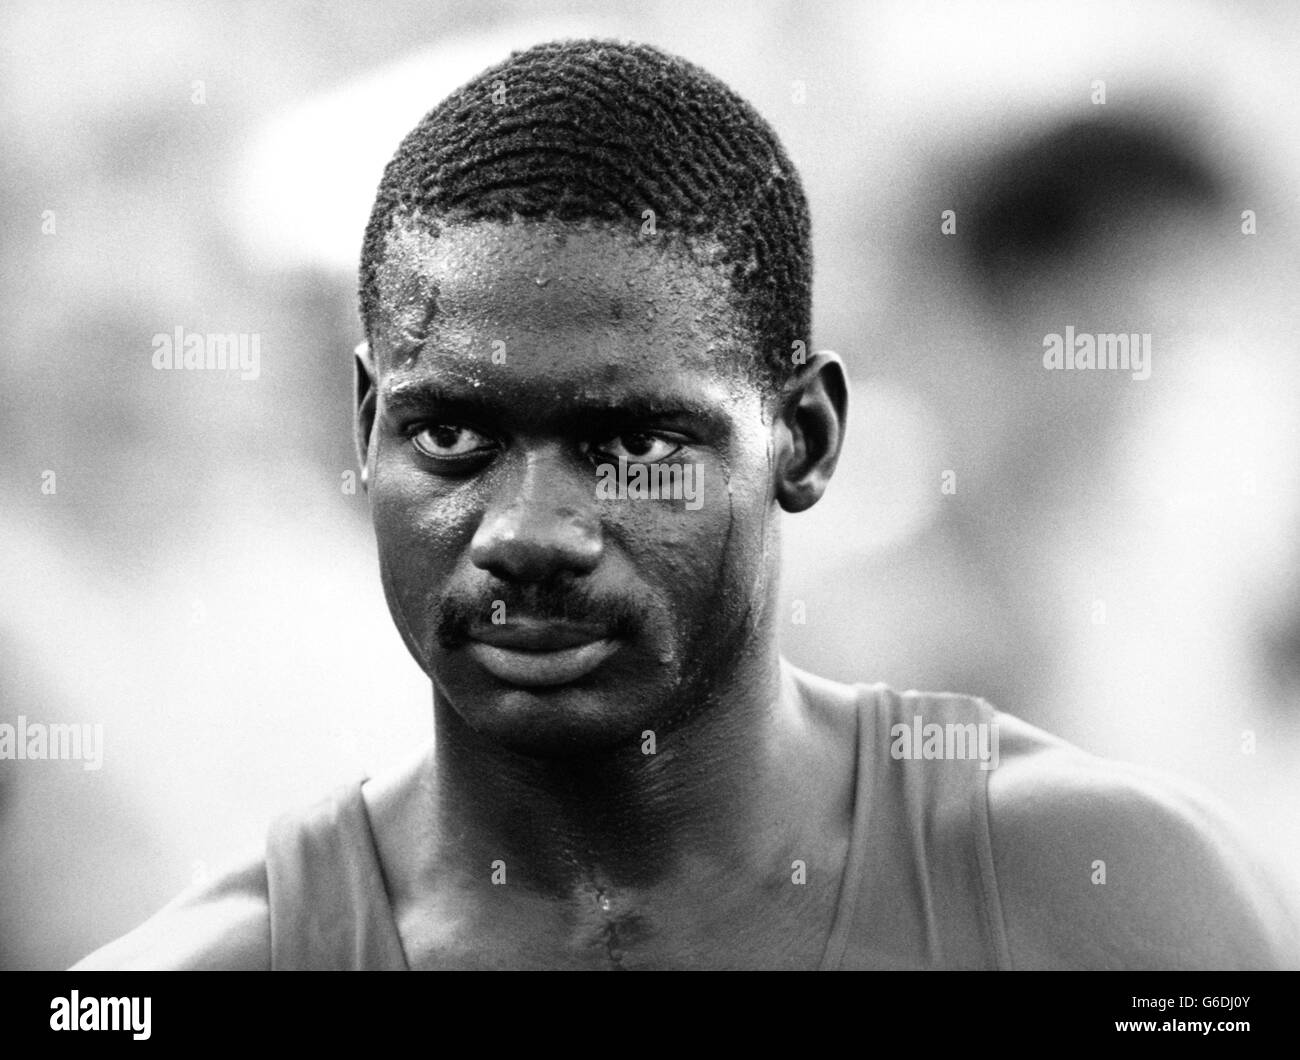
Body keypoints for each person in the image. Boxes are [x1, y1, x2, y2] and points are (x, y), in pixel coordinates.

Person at [74, 38, 1298, 970]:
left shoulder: (1111, 900)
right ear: (365, 434)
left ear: (803, 439)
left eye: (631, 441)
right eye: (452, 434)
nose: (528, 531)